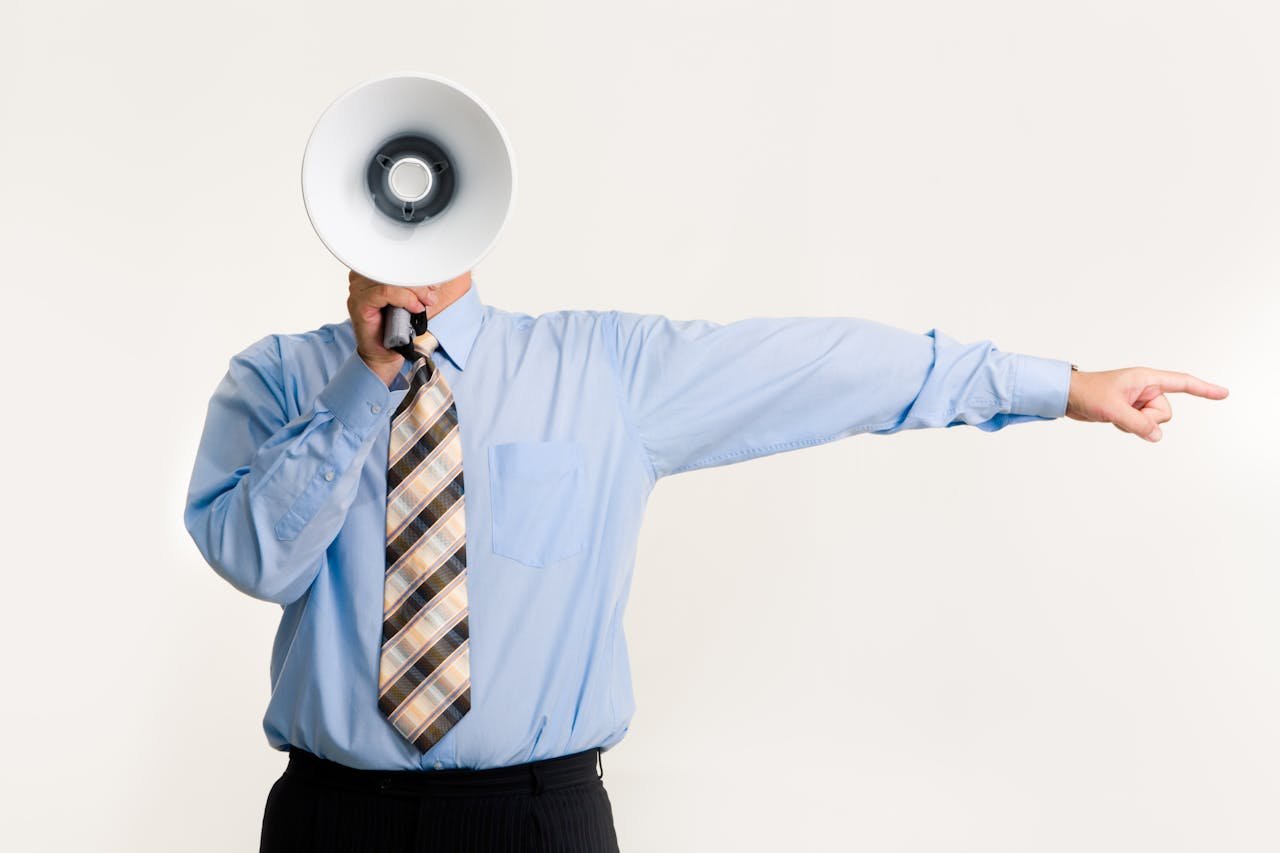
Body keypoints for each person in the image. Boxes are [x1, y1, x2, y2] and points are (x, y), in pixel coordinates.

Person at [183, 269, 1228, 852]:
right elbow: (256, 560)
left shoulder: (602, 368)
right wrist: (365, 384)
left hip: (534, 824)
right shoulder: (279, 379)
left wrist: (1058, 383)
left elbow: (822, 367)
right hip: (331, 824)